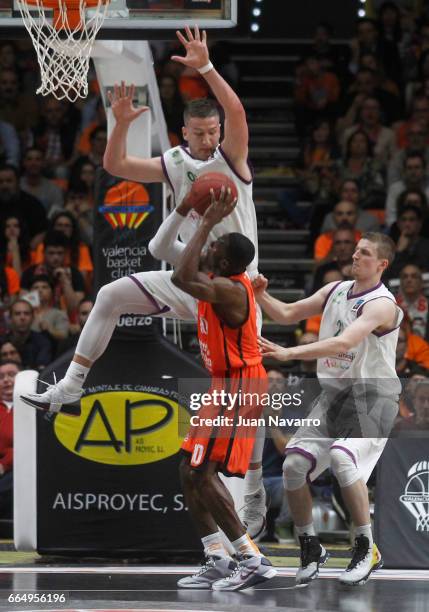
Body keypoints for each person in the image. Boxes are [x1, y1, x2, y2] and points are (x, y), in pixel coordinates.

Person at [21, 25, 266, 538]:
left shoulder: (231, 161)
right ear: (184, 135)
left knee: (228, 390)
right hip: (188, 273)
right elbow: (115, 164)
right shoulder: (175, 163)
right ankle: (70, 386)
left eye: (214, 131)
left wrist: (204, 67)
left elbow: (239, 113)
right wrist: (121, 123)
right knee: (110, 294)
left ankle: (253, 495)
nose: (209, 139)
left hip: (230, 288)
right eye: (200, 133)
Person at [255, 232, 403, 586]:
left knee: (341, 457)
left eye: (364, 253)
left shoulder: (382, 304)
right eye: (355, 250)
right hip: (335, 396)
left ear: (381, 264)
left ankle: (366, 546)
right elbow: (288, 312)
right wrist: (260, 294)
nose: (355, 256)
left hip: (373, 397)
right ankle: (310, 545)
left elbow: (345, 341)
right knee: (292, 465)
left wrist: (289, 353)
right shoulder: (336, 289)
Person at [170, 190, 276, 591]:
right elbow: (177, 258)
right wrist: (197, 218)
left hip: (239, 385)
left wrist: (210, 221)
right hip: (223, 385)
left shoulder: (229, 289)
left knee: (201, 470)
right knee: (187, 468)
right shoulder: (219, 278)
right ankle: (216, 555)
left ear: (227, 262)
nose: (209, 245)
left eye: (215, 246)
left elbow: (181, 276)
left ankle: (251, 557)